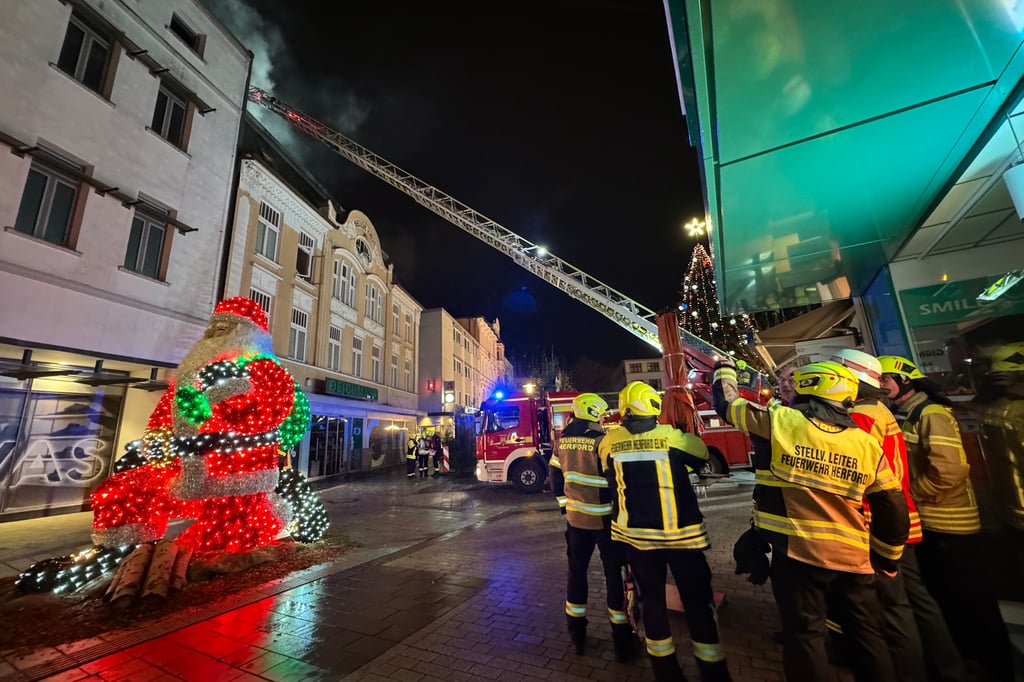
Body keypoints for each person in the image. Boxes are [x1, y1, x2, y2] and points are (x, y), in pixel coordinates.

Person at [714, 359, 908, 682]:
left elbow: (728, 405)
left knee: (806, 636)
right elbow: (892, 505)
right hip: (854, 561)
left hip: (800, 555)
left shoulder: (782, 423)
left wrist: (724, 370)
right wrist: (886, 558)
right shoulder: (865, 443)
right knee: (867, 637)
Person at [91, 297, 310, 553]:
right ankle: (124, 551)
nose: (216, 335)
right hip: (180, 468)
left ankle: (261, 518)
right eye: (213, 329)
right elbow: (165, 414)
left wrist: (217, 398)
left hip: (237, 472)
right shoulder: (189, 375)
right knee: (120, 493)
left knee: (211, 543)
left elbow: (270, 413)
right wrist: (158, 435)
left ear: (247, 335)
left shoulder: (266, 371)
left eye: (225, 329)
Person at [832, 349, 971, 682]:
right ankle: (948, 668)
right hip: (899, 518)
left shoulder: (863, 416)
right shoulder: (880, 409)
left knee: (895, 607)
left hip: (880, 523)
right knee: (916, 601)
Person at [879, 355, 1014, 681]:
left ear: (905, 382)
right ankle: (968, 658)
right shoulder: (906, 414)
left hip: (951, 525)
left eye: (885, 380)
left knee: (971, 602)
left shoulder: (931, 414)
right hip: (931, 524)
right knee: (948, 600)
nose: (881, 386)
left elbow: (950, 470)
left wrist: (912, 497)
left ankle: (993, 667)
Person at [600, 381, 730, 682]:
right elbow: (702, 458)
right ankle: (713, 672)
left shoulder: (609, 442)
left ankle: (666, 673)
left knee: (652, 604)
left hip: (638, 541)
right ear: (653, 407)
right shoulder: (673, 438)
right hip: (681, 539)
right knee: (698, 602)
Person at [549, 392, 634, 661]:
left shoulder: (561, 440)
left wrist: (565, 505)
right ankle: (622, 642)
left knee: (577, 574)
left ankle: (577, 635)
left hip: (575, 521)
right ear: (595, 413)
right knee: (614, 576)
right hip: (605, 520)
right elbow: (616, 481)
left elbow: (554, 474)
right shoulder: (602, 440)